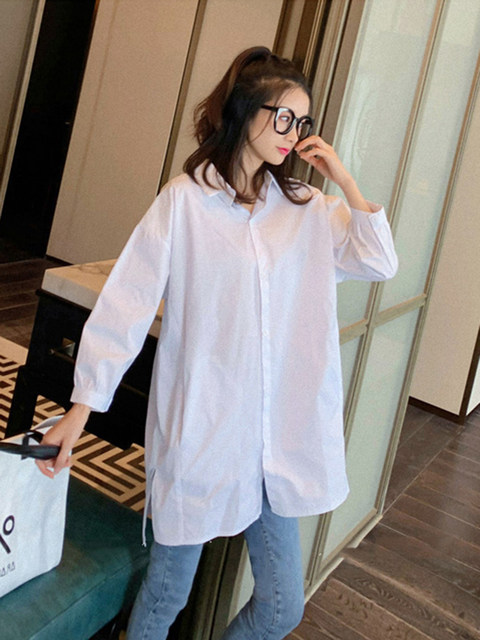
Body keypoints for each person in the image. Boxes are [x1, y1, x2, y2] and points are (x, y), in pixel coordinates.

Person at [36, 46, 398, 639]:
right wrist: (79, 413)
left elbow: (379, 261)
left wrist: (344, 178)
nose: (293, 133)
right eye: (283, 117)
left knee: (282, 609)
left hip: (277, 441)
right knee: (168, 596)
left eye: (302, 121)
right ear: (246, 111)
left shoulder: (308, 209)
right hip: (205, 433)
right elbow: (126, 304)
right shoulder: (185, 202)